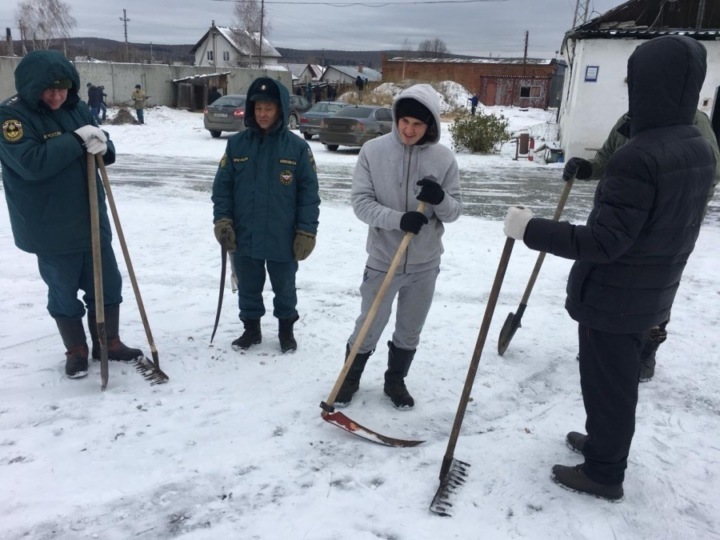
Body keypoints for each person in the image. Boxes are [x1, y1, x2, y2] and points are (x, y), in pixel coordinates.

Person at [503, 36, 714, 500]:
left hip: (615, 296)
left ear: (648, 85)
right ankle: (603, 445)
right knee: (613, 384)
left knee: (609, 387)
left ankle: (603, 472)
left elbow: (603, 241)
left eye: (632, 79)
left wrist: (529, 228)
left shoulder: (639, 155)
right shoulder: (695, 147)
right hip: (650, 290)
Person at [0, 50, 144, 379]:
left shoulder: (77, 108)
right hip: (50, 225)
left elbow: (103, 151)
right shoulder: (12, 118)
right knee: (63, 290)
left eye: (63, 88)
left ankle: (109, 342)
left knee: (107, 283)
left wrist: (103, 145)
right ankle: (76, 349)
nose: (56, 95)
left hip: (92, 216)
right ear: (31, 87)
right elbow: (32, 162)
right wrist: (76, 140)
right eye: (49, 90)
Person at [562, 109, 719, 382]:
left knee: (653, 289)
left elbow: (712, 169)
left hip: (669, 224)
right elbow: (607, 158)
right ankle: (603, 345)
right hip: (621, 216)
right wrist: (588, 169)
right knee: (607, 280)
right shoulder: (629, 118)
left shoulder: (693, 120)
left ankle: (647, 350)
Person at [336, 83, 462, 410]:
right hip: (382, 260)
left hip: (424, 264)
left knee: (409, 329)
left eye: (418, 124)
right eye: (404, 121)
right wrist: (398, 219)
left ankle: (395, 380)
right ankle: (349, 378)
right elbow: (361, 203)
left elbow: (454, 212)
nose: (409, 129)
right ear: (396, 118)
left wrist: (440, 198)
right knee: (369, 325)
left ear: (430, 125)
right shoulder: (373, 152)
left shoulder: (443, 159)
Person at [212, 77, 320, 353]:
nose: (262, 114)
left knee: (285, 287)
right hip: (244, 233)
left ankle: (286, 331)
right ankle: (251, 330)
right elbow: (222, 188)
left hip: (283, 235)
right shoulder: (236, 146)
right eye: (258, 108)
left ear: (280, 110)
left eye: (268, 109)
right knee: (248, 285)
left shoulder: (297, 149)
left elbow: (309, 195)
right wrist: (222, 220)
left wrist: (306, 231)